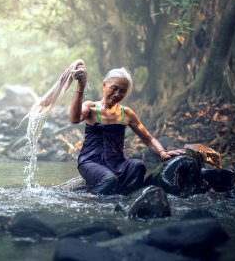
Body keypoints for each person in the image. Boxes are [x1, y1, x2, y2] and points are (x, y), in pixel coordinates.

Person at [69, 62, 183, 195]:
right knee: (109, 179)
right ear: (104, 85)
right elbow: (74, 119)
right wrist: (81, 86)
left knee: (138, 165)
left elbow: (148, 139)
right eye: (114, 88)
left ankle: (128, 199)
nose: (117, 94)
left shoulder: (127, 113)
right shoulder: (90, 107)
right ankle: (90, 198)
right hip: (90, 162)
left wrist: (162, 152)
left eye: (122, 91)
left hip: (117, 164)